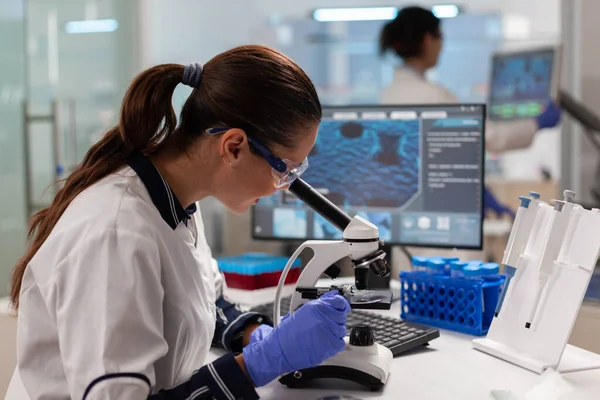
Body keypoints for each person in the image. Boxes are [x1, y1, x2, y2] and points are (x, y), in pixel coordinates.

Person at [6, 45, 351, 400]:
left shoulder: (177, 201)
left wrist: (261, 336)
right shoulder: (117, 234)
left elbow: (206, 304)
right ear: (233, 147)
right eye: (285, 170)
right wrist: (261, 363)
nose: (283, 188)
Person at [379, 6, 562, 154]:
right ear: (428, 40)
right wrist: (536, 123)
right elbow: (489, 138)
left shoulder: (389, 93)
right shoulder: (432, 96)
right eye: (441, 37)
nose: (442, 46)